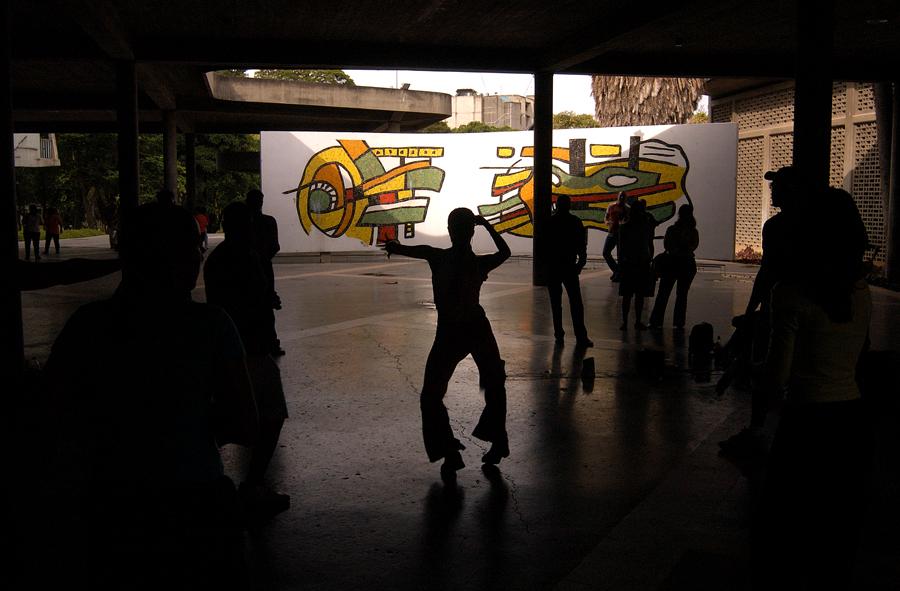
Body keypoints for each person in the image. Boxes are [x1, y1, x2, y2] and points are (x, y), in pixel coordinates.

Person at [39, 202, 258, 587]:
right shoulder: (211, 327)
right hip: (195, 498)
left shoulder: (87, 326)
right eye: (193, 247)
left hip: (111, 501)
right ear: (171, 255)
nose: (199, 255)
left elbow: (52, 415)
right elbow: (244, 422)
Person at [752, 188, 871, 589]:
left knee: (786, 525)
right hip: (851, 416)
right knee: (838, 526)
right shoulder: (860, 292)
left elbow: (777, 374)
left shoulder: (791, 296)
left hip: (805, 419)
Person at [384, 208, 511, 478]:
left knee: (431, 395)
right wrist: (488, 224)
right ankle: (497, 443)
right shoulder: (478, 263)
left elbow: (413, 249)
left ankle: (450, 453)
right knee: (493, 384)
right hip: (476, 327)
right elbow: (506, 252)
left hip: (450, 332)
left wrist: (396, 246)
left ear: (451, 230)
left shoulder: (438, 257)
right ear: (472, 232)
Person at [204, 201, 290, 519]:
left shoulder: (228, 258)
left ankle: (224, 483)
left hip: (243, 348)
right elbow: (241, 303)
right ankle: (249, 486)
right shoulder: (238, 258)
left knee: (234, 416)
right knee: (270, 414)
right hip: (247, 349)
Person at [719, 166, 801, 458]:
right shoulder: (811, 226)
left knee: (765, 369)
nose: (771, 189)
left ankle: (757, 429)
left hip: (777, 306)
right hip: (791, 305)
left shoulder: (777, 227)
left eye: (776, 185)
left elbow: (767, 272)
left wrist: (753, 308)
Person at [547, 195, 592, 347]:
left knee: (556, 303)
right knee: (576, 302)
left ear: (557, 205)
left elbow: (543, 246)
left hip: (553, 267)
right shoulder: (575, 222)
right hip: (569, 266)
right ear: (569, 206)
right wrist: (580, 263)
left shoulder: (551, 222)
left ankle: (559, 334)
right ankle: (581, 336)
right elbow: (581, 244)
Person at [649, 203, 700, 329]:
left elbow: (667, 245)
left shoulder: (672, 229)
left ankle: (656, 321)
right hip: (687, 265)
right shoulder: (693, 231)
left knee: (663, 293)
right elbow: (693, 246)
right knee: (682, 296)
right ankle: (678, 322)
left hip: (671, 264)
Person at [246, 189, 284, 356]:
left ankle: (253, 341)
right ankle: (271, 342)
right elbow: (275, 246)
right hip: (264, 266)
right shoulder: (268, 222)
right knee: (267, 304)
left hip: (248, 268)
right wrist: (263, 257)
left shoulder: (245, 224)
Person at [616, 199, 655, 329]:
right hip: (642, 263)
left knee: (627, 295)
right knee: (639, 295)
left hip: (628, 264)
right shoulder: (645, 227)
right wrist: (650, 259)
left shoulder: (625, 228)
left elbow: (621, 249)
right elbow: (649, 244)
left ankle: (624, 321)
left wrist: (621, 264)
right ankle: (637, 321)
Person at [603, 192, 628, 281]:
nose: (621, 197)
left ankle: (618, 273)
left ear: (625, 198)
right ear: (617, 196)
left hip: (621, 234)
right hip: (612, 232)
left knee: (620, 255)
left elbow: (629, 221)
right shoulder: (611, 206)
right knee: (605, 252)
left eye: (623, 196)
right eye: (620, 195)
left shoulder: (627, 209)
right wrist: (607, 222)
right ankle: (617, 271)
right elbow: (606, 218)